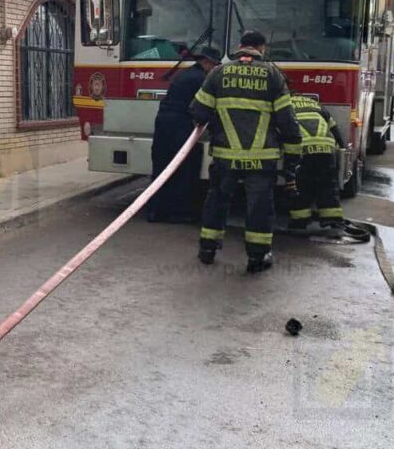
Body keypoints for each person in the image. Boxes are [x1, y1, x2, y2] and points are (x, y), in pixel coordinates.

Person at [190, 30, 302, 273]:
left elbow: (198, 110)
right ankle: (257, 258)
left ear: (240, 47)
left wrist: (215, 128)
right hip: (262, 159)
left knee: (217, 201)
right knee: (259, 206)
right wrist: (293, 156)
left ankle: (207, 250)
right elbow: (287, 121)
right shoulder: (273, 75)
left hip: (225, 155)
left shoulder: (219, 72)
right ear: (262, 49)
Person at [147, 48, 222, 223]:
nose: (215, 69)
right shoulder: (201, 79)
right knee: (185, 168)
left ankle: (156, 211)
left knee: (162, 167)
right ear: (207, 62)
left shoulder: (185, 74)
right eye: (215, 65)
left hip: (164, 124)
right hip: (180, 126)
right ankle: (181, 212)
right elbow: (203, 107)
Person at [284, 94, 345, 233]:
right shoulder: (315, 103)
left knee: (301, 186)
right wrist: (342, 147)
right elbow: (334, 127)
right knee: (328, 185)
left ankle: (300, 221)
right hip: (327, 148)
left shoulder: (285, 104)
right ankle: (333, 219)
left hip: (303, 150)